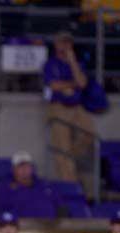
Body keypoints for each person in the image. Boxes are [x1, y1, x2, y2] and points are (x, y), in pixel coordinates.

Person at [43, 31, 94, 182]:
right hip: (59, 107)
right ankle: (70, 185)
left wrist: (72, 61)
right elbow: (53, 85)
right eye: (62, 42)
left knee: (89, 134)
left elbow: (83, 83)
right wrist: (73, 84)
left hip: (76, 106)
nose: (65, 45)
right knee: (61, 146)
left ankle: (70, 156)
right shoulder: (50, 63)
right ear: (56, 44)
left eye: (68, 42)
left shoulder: (77, 64)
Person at [0, 151, 55, 216]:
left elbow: (59, 205)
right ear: (13, 170)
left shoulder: (45, 185)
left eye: (27, 166)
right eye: (20, 167)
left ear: (32, 168)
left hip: (48, 224)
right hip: (20, 224)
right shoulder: (5, 188)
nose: (24, 169)